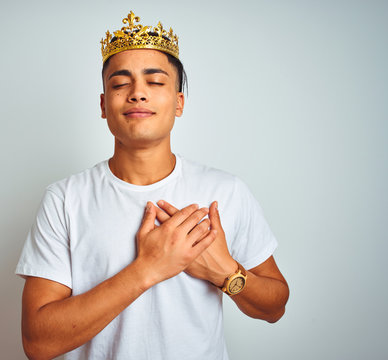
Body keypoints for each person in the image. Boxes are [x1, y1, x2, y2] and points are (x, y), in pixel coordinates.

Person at [16, 11, 289, 360]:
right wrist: (148, 268)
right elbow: (38, 343)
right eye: (119, 84)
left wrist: (226, 272)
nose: (137, 94)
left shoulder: (226, 191)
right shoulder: (65, 199)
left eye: (155, 82)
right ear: (103, 105)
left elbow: (275, 307)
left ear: (178, 103)